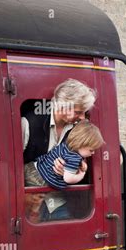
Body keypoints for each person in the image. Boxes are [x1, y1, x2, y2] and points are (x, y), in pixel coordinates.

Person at [22, 78, 97, 221]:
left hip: (58, 201)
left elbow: (82, 160)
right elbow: (10, 167)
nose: (82, 118)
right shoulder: (28, 122)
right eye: (78, 112)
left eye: (84, 112)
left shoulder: (77, 129)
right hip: (30, 202)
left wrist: (80, 169)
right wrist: (25, 195)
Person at [24, 121, 104, 190]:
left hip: (32, 167)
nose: (93, 153)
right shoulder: (74, 157)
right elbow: (68, 178)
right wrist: (81, 175)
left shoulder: (66, 146)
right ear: (81, 144)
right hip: (39, 181)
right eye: (91, 150)